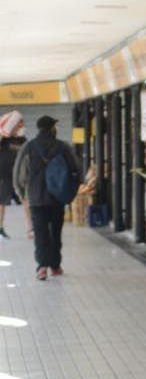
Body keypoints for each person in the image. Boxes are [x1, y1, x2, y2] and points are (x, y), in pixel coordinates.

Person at [13, 116, 80, 281]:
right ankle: (55, 267)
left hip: (36, 199)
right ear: (51, 128)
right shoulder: (63, 147)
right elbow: (76, 170)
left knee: (41, 233)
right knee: (56, 233)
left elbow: (19, 174)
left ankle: (42, 267)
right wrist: (70, 192)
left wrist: (22, 194)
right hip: (57, 198)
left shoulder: (29, 147)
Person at [0, 134, 26, 240]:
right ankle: (0, 228)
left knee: (25, 200)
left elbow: (25, 150)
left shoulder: (22, 139)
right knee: (1, 202)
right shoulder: (3, 139)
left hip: (18, 175)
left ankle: (32, 228)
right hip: (4, 176)